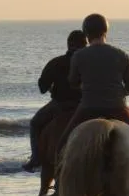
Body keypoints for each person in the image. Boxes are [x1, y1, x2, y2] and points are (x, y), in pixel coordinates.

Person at [42, 13, 129, 196]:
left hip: (88, 107)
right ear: (105, 31)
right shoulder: (121, 55)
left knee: (62, 144)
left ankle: (58, 191)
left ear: (86, 33)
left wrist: (88, 88)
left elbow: (73, 82)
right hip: (118, 108)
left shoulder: (80, 56)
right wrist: (116, 92)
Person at [22, 30, 87, 172]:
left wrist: (52, 87)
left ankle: (36, 158)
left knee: (35, 124)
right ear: (85, 44)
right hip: (85, 105)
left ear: (68, 44)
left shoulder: (56, 62)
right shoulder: (91, 64)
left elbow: (42, 87)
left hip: (60, 105)